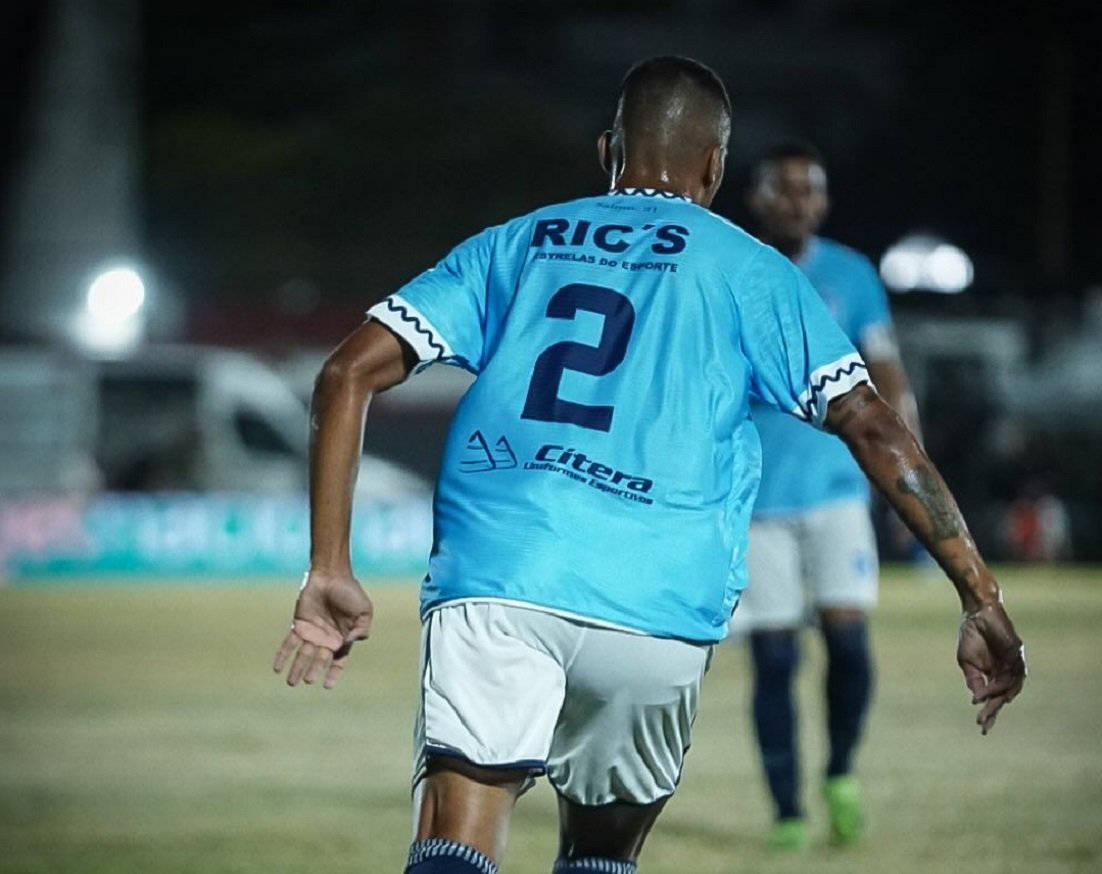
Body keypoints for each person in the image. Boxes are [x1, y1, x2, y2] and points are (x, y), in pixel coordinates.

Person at [272, 56, 1026, 874]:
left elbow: (345, 374)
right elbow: (876, 427)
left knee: (457, 836)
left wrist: (329, 566)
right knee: (601, 851)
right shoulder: (754, 271)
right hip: (658, 595)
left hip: (502, 571)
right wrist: (978, 593)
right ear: (715, 166)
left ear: (608, 151)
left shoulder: (517, 242)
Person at [729, 141, 925, 850]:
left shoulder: (852, 274)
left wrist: (908, 476)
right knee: (774, 658)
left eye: (809, 191)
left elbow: (887, 377)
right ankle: (786, 810)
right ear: (757, 199)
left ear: (824, 201)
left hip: (838, 488)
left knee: (849, 641)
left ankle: (839, 769)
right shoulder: (733, 269)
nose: (798, 203)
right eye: (784, 191)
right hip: (756, 500)